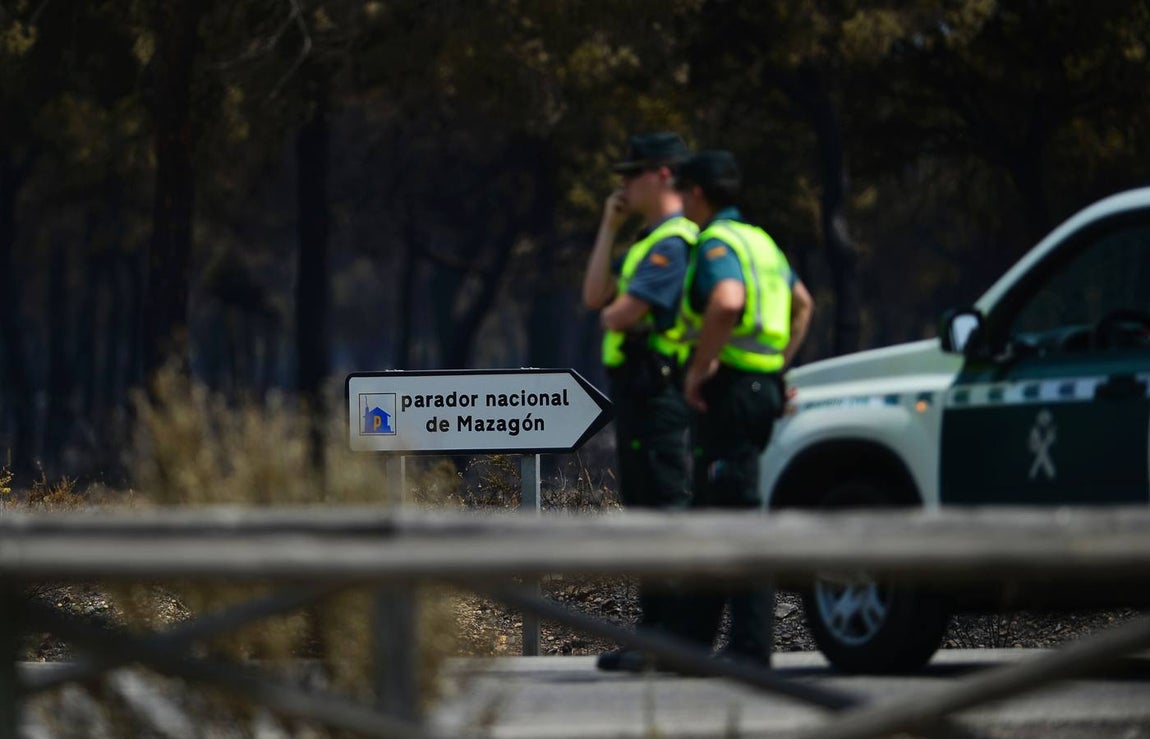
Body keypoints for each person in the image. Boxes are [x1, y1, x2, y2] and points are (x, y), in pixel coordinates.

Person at [671, 149, 814, 666]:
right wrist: (774, 366)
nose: (681, 201)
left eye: (684, 192)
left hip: (729, 392)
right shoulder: (762, 241)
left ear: (698, 194)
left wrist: (701, 367)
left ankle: (751, 646)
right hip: (761, 391)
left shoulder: (717, 242)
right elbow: (803, 305)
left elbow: (728, 301)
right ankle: (692, 644)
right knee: (715, 509)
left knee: (738, 512)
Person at [581, 132, 697, 672]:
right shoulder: (645, 243)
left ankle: (675, 643)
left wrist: (615, 311)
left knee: (667, 517)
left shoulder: (675, 242)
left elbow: (618, 313)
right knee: (648, 516)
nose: (624, 184)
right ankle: (655, 641)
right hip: (639, 397)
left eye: (634, 173)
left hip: (660, 397)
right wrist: (608, 225)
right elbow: (594, 297)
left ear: (664, 175)